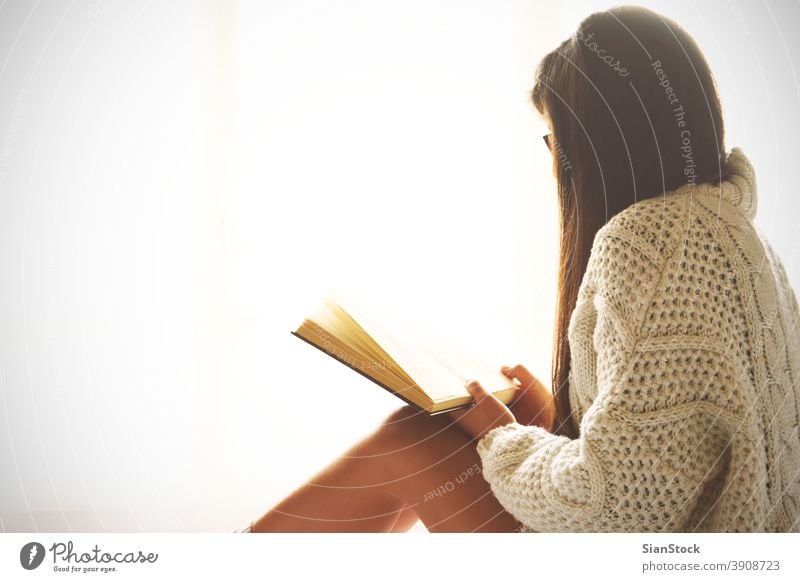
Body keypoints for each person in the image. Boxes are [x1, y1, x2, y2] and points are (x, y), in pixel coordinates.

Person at [239, 5, 800, 533]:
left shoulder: (649, 241)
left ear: (592, 146)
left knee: (407, 447)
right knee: (417, 440)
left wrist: (500, 437)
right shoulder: (743, 242)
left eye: (555, 138)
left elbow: (623, 507)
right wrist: (550, 419)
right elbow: (677, 455)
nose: (553, 158)